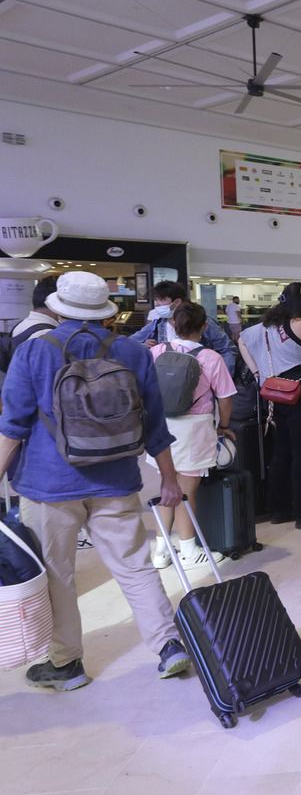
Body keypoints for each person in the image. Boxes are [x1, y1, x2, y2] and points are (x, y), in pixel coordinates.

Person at [0, 271, 191, 690]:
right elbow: (154, 424)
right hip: (117, 479)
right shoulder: (133, 352)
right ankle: (168, 646)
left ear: (57, 307)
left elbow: (12, 426)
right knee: (136, 568)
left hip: (48, 485)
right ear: (106, 310)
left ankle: (66, 665)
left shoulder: (34, 351)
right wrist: (170, 479)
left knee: (57, 574)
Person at [147, 303, 237, 570]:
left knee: (166, 486)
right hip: (194, 428)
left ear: (172, 324)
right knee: (187, 492)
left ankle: (161, 551)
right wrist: (224, 426)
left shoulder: (156, 351)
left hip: (162, 426)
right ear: (205, 326)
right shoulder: (210, 358)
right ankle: (188, 550)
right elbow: (225, 399)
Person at [238, 282, 301, 529]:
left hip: (275, 393)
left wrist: (258, 372)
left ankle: (279, 508)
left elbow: (241, 341)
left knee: (282, 451)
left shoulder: (266, 327)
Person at [130, 280, 235, 372]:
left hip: (201, 380)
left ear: (177, 302)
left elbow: (227, 350)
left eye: (161, 300)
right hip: (169, 382)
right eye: (156, 300)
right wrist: (143, 345)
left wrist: (222, 379)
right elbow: (129, 342)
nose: (156, 304)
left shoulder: (200, 321)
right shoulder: (157, 324)